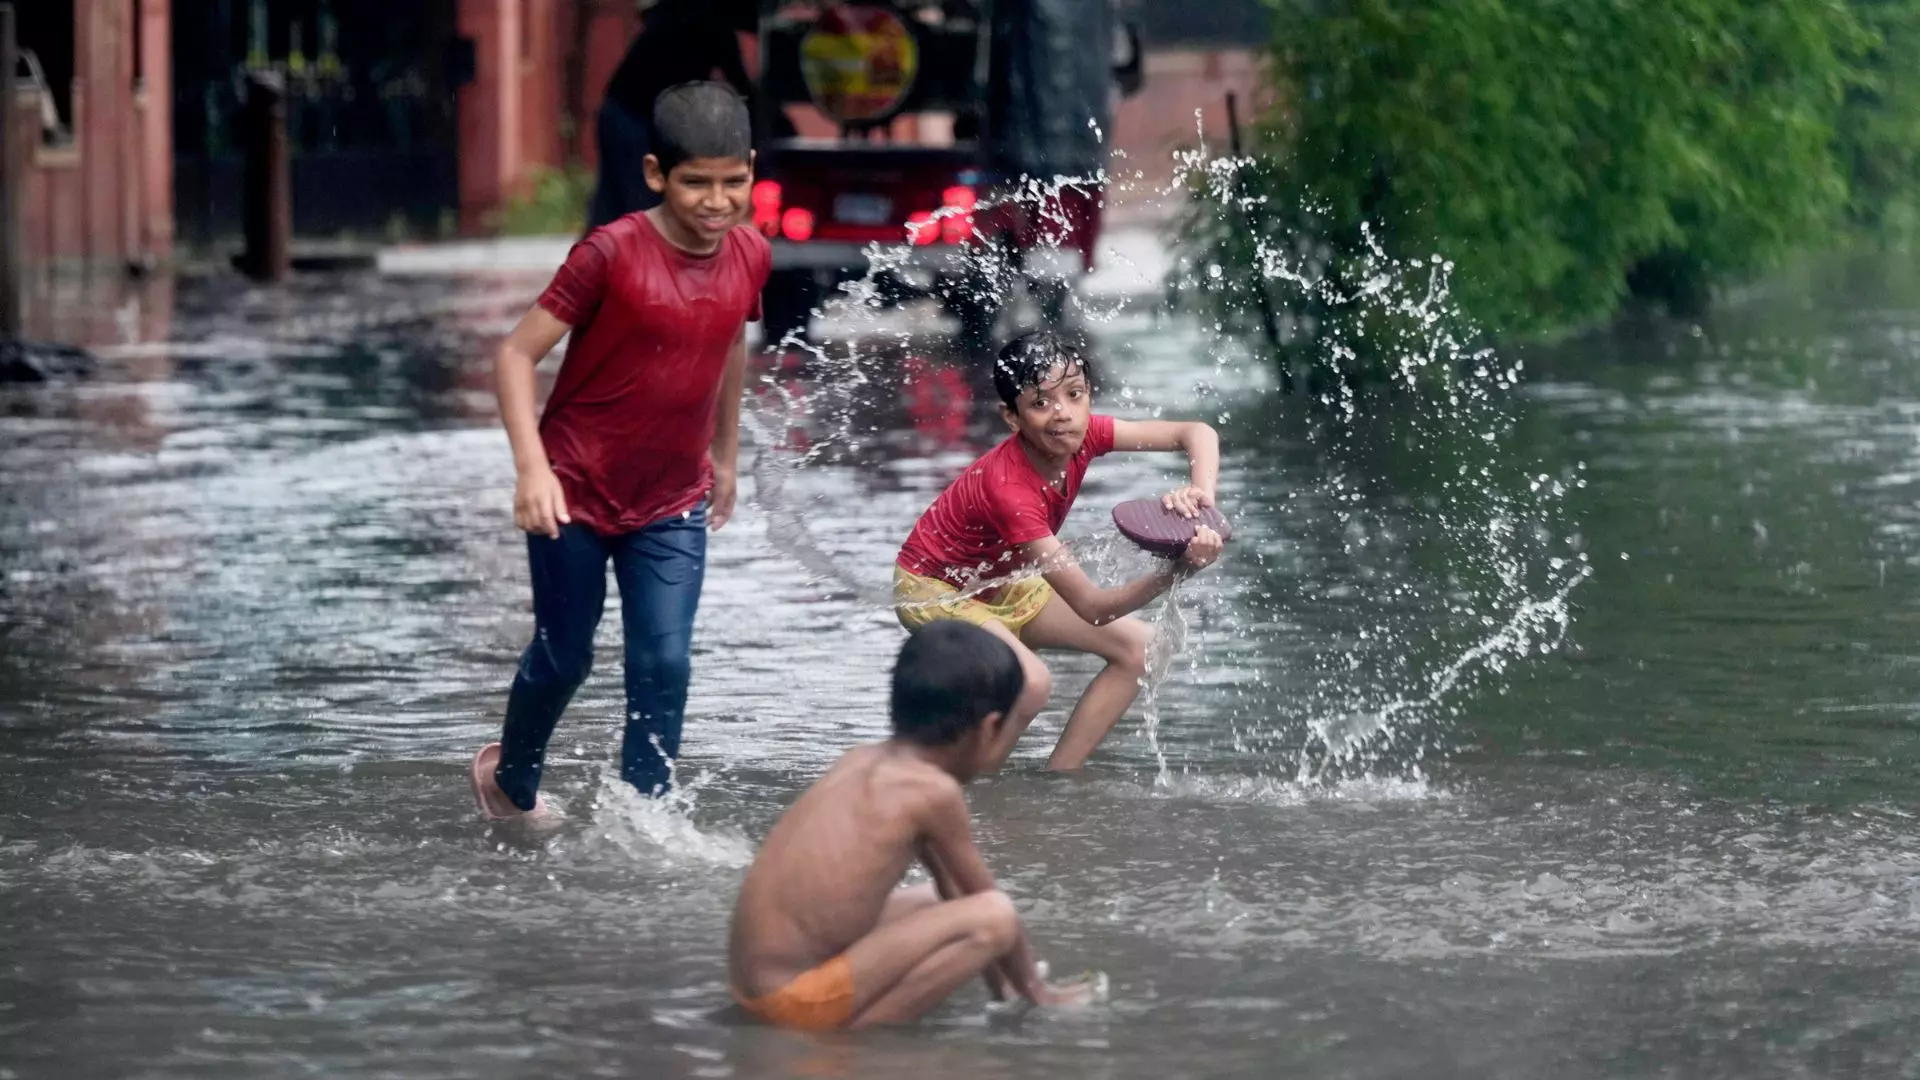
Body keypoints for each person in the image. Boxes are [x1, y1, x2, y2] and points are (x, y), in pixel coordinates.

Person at [469, 82, 771, 824]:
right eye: (696, 182)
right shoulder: (609, 252)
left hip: (670, 499)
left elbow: (731, 342)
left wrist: (725, 456)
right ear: (654, 174)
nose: (716, 201)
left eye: (733, 182)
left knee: (662, 665)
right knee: (565, 656)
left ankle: (645, 822)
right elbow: (514, 355)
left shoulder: (753, 255)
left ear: (752, 171)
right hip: (571, 491)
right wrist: (531, 471)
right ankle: (510, 782)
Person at [728, 621, 1098, 1031]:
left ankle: (1005, 996)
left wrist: (1007, 991)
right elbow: (991, 909)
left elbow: (957, 893)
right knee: (995, 912)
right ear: (990, 728)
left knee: (938, 900)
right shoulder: (933, 792)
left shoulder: (861, 759)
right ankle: (854, 1038)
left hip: (755, 986)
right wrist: (1039, 994)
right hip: (792, 1003)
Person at [892, 330, 1224, 772]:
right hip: (934, 590)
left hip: (1002, 580)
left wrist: (1200, 498)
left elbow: (1196, 431)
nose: (1063, 414)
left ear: (1088, 395)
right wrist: (1178, 569)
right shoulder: (1011, 491)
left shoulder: (1086, 436)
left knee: (1144, 647)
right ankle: (967, 795)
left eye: (1074, 395)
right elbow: (1092, 607)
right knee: (1031, 683)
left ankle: (1057, 782)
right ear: (1012, 418)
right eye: (1040, 403)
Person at [588, 0, 757, 229]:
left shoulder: (686, 15)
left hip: (622, 111)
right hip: (631, 115)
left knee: (616, 203)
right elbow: (740, 83)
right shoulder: (707, 25)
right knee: (641, 202)